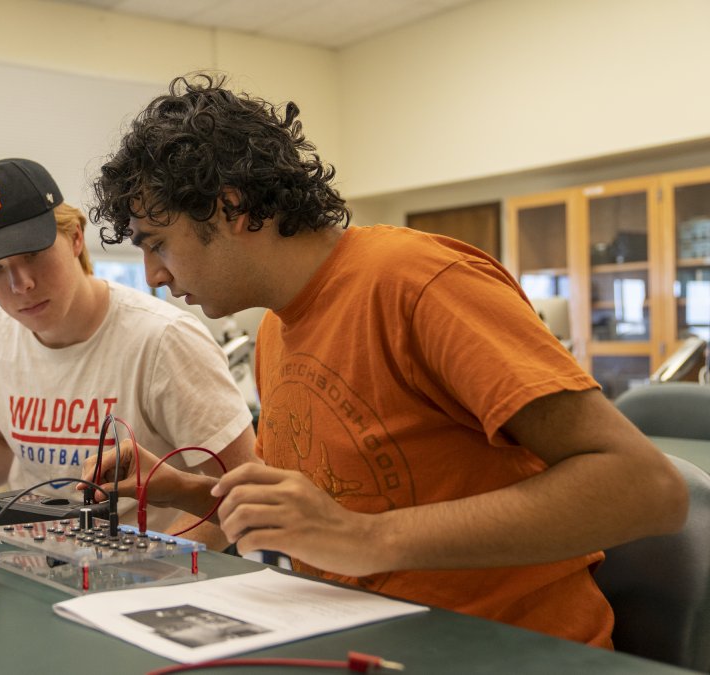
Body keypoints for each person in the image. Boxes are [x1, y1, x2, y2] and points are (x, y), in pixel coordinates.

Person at [84, 74, 689, 646]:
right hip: (366, 640)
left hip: (512, 651)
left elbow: (647, 488)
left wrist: (367, 539)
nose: (154, 277)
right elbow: (327, 512)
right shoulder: (275, 330)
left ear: (232, 207)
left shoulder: (418, 283)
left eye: (158, 243)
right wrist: (182, 489)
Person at [0, 157, 257, 541]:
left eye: (33, 254)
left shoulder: (163, 340)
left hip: (144, 575)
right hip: (29, 559)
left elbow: (243, 493)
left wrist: (159, 566)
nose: (21, 283)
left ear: (75, 237)